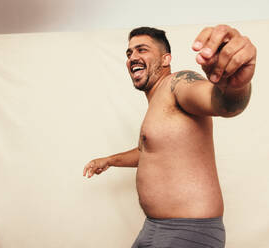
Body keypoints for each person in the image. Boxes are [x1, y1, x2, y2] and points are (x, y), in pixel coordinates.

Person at [83, 25, 256, 248]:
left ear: (166, 59)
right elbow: (149, 153)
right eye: (129, 53)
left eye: (141, 50)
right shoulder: (157, 102)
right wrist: (109, 160)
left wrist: (235, 86)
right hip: (154, 227)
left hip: (188, 232)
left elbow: (225, 104)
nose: (132, 57)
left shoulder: (179, 83)